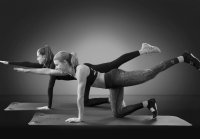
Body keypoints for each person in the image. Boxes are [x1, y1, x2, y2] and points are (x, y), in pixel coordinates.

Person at [14, 45, 200, 123]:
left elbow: (80, 96)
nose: (55, 67)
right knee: (117, 114)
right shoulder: (68, 71)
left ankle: (184, 57)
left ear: (65, 63)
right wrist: (26, 69)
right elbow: (45, 71)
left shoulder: (80, 70)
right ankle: (148, 103)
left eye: (57, 64)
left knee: (149, 74)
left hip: (116, 77)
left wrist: (79, 118)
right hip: (113, 85)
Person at [1, 43, 161, 110]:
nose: (37, 59)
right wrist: (9, 62)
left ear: (45, 57)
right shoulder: (47, 64)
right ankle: (108, 99)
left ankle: (143, 50)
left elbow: (50, 87)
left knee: (114, 64)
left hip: (87, 71)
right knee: (85, 102)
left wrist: (48, 106)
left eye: (38, 56)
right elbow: (29, 64)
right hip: (82, 77)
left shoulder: (54, 65)